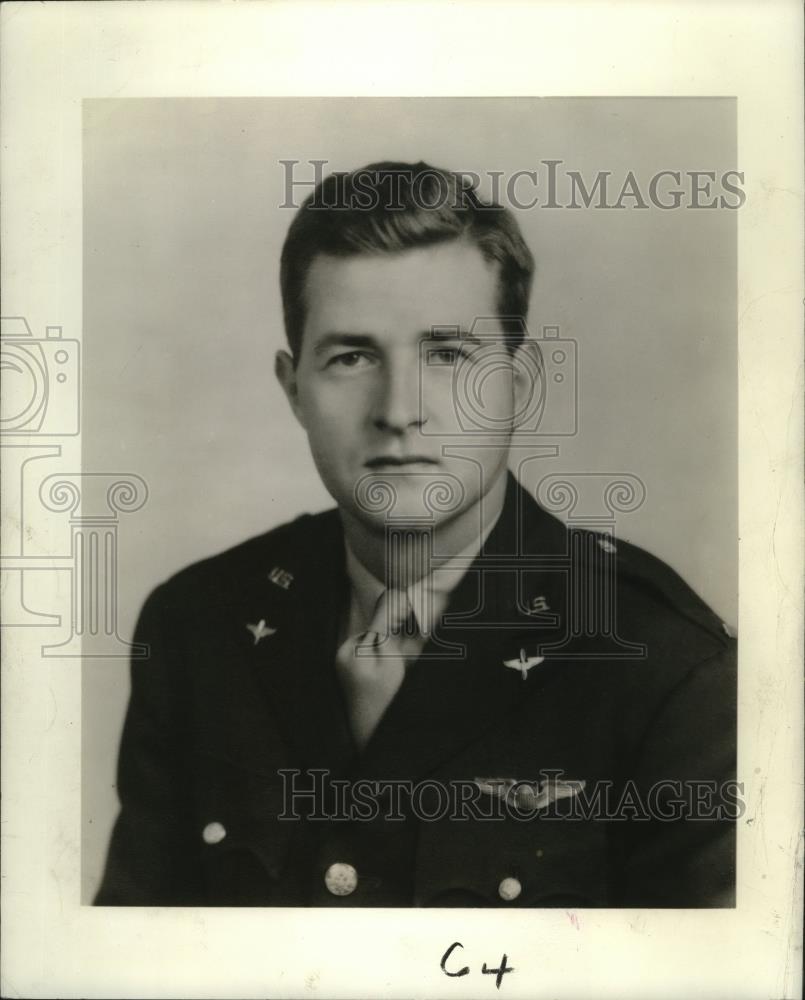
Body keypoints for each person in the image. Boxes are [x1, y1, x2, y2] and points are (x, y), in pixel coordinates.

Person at [95, 161, 736, 907]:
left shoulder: (664, 666)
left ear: (516, 388)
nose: (399, 409)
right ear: (292, 387)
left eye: (447, 355)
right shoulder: (196, 626)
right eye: (352, 357)